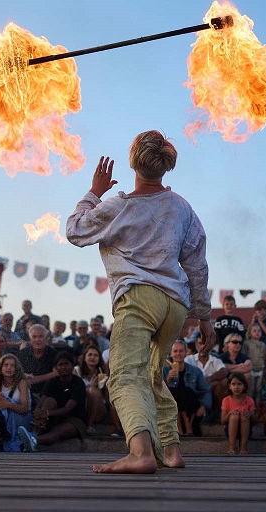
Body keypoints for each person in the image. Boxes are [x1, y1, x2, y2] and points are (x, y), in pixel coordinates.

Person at [66, 134, 213, 474]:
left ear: (133, 160)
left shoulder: (118, 206)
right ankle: (171, 450)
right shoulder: (182, 207)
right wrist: (204, 316)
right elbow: (196, 264)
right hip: (175, 305)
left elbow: (75, 231)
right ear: (165, 165)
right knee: (151, 375)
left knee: (123, 375)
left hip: (138, 299)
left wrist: (94, 192)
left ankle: (141, 453)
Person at [20, 351, 88, 450]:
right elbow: (42, 400)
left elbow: (68, 409)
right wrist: (38, 410)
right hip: (54, 417)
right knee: (50, 401)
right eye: (60, 364)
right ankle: (35, 432)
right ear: (55, 368)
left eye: (66, 364)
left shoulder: (78, 382)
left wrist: (47, 413)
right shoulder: (52, 382)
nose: (63, 367)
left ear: (72, 366)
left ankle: (34, 440)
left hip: (74, 419)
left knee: (57, 431)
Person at [163, 340, 210, 437]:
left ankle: (181, 428)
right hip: (171, 409)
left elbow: (205, 391)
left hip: (192, 409)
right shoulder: (164, 371)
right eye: (175, 351)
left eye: (181, 351)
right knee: (177, 392)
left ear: (186, 353)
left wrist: (204, 406)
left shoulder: (195, 371)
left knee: (186, 391)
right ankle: (187, 428)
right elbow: (158, 392)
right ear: (170, 354)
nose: (178, 354)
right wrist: (167, 380)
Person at [16, 325, 59, 395]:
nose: (37, 340)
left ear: (45, 338)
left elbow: (57, 372)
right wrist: (23, 375)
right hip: (25, 392)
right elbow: (15, 372)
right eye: (34, 337)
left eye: (41, 336)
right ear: (30, 339)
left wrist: (37, 379)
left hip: (48, 392)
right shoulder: (22, 354)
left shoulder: (54, 353)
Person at [221, 373, 255, 455]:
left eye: (239, 384)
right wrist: (230, 414)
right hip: (230, 430)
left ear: (244, 386)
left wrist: (250, 414)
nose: (236, 387)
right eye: (233, 384)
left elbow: (254, 421)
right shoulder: (226, 400)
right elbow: (223, 421)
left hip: (246, 429)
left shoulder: (249, 400)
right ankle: (231, 447)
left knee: (244, 416)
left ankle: (243, 447)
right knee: (234, 416)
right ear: (229, 386)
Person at [242, 322, 266, 400]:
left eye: (259, 331)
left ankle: (257, 408)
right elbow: (244, 356)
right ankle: (251, 407)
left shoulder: (263, 344)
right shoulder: (246, 343)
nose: (257, 332)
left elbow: (264, 357)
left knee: (259, 390)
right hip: (251, 369)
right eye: (254, 331)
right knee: (251, 389)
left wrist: (264, 369)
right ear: (250, 333)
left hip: (260, 369)